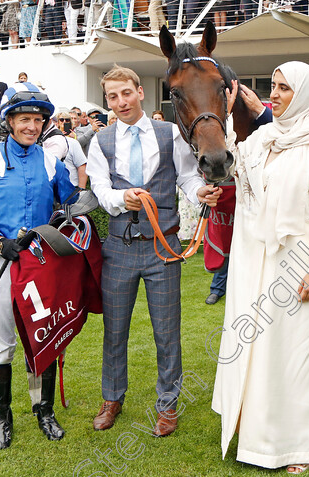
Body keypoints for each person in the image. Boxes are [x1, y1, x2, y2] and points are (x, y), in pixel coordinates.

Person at [212, 61, 309, 474]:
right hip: (255, 265)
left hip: (302, 267)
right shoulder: (263, 139)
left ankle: (300, 446)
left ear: (307, 94)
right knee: (260, 352)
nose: (274, 95)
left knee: (297, 356)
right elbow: (236, 170)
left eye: (284, 88)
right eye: (273, 86)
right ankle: (258, 439)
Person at [86, 65, 220, 437]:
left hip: (164, 248)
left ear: (140, 92)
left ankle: (168, 404)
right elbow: (99, 188)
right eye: (112, 97)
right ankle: (112, 398)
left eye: (126, 93)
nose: (120, 102)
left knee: (167, 332)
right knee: (114, 331)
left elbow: (189, 177)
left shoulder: (169, 133)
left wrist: (200, 192)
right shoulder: (101, 140)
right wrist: (120, 197)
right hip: (119, 248)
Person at [0, 83, 78, 449]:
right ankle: (2, 418)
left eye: (38, 120)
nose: (32, 126)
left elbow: (70, 203)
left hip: (41, 267)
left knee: (43, 337)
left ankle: (44, 411)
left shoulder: (51, 162)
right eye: (25, 119)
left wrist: (76, 208)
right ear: (9, 121)